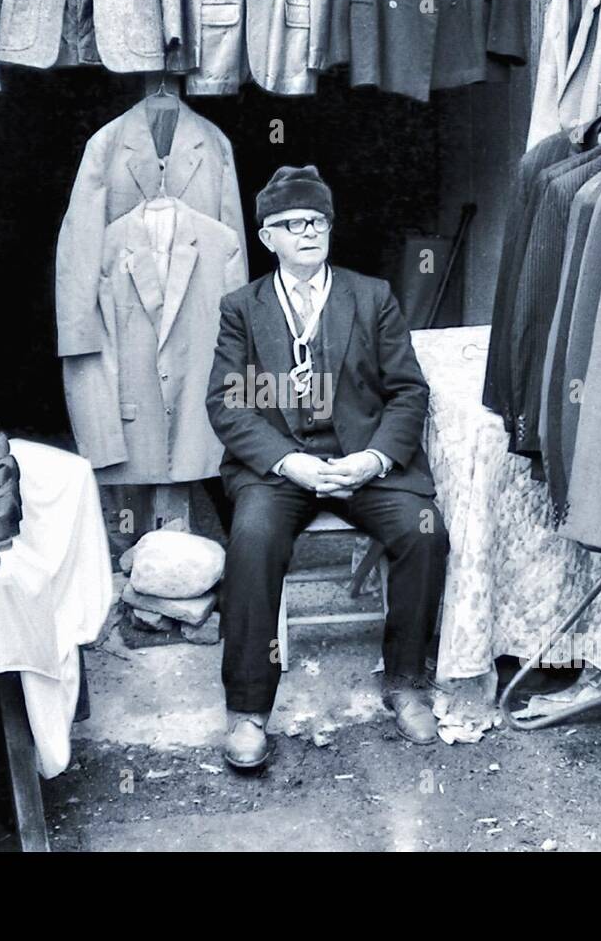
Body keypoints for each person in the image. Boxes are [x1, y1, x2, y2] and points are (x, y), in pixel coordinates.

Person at [206, 164, 450, 771]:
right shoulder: (242, 307)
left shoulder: (371, 296)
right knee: (253, 538)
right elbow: (227, 400)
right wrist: (290, 463)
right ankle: (248, 710)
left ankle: (405, 682)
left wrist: (373, 458)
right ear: (268, 237)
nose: (308, 231)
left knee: (425, 533)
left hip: (361, 461)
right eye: (292, 223)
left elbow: (408, 391)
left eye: (317, 220)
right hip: (282, 467)